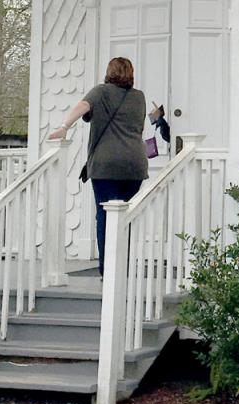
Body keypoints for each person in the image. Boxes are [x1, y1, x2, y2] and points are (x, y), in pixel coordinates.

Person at [48, 57, 166, 277]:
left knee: (105, 214)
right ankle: (123, 267)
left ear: (109, 72)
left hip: (106, 165)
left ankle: (108, 270)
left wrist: (65, 126)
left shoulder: (101, 92)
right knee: (124, 215)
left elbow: (83, 106)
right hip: (134, 166)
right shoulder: (139, 97)